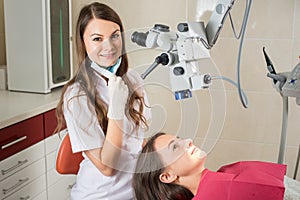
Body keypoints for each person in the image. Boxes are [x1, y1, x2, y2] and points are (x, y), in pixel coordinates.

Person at [55, 2, 151, 200]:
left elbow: (138, 141)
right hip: (101, 196)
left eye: (115, 36)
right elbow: (107, 167)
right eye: (97, 39)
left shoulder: (132, 80)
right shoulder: (77, 96)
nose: (109, 46)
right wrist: (116, 109)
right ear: (83, 43)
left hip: (136, 192)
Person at [133, 132, 287, 200]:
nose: (188, 140)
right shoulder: (225, 189)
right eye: (175, 147)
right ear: (168, 176)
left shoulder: (223, 176)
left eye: (180, 139)